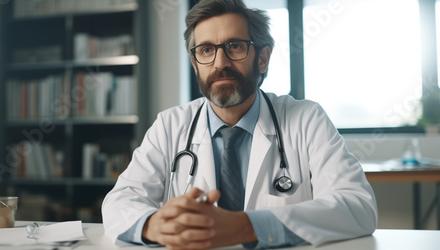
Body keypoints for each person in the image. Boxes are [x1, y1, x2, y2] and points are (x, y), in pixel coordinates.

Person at [102, 0, 378, 249]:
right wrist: (153, 226)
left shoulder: (306, 118)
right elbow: (121, 200)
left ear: (262, 58)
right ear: (195, 64)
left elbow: (357, 205)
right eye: (206, 50)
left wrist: (245, 227)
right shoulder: (170, 125)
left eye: (234, 46)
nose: (220, 63)